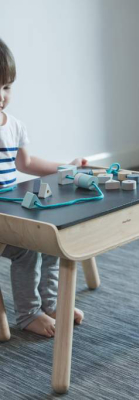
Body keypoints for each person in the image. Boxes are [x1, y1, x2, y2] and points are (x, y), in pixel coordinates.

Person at [0, 38, 84, 337]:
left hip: (10, 209)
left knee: (50, 241)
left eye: (6, 87)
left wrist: (67, 168)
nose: (1, 96)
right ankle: (28, 314)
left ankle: (52, 304)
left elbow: (27, 163)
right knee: (27, 250)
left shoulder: (15, 126)